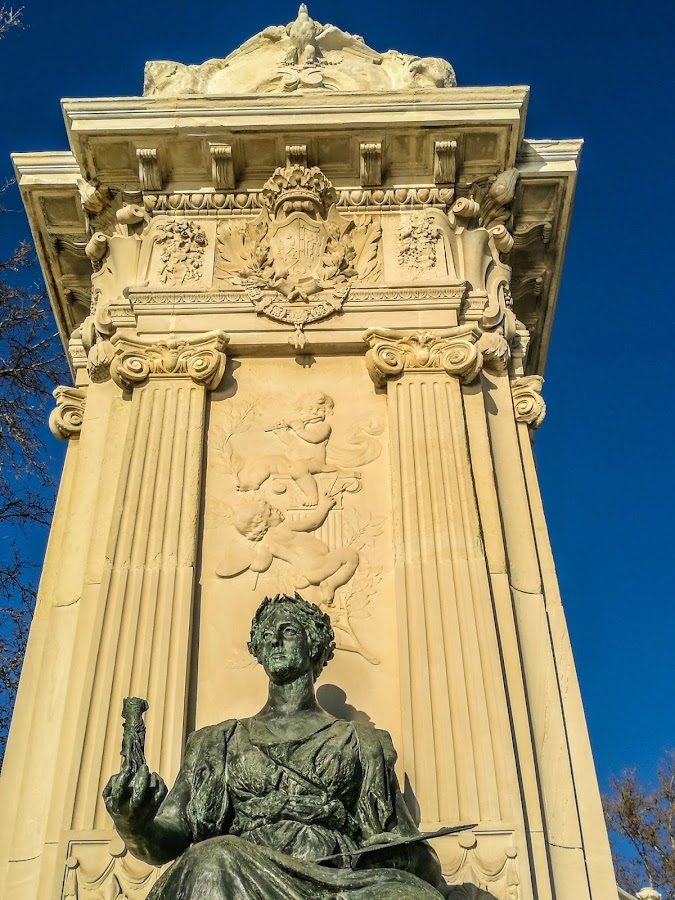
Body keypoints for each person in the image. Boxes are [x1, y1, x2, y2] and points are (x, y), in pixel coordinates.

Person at [103, 593, 452, 899]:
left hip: (339, 878)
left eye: (288, 631)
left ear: (314, 644)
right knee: (211, 859)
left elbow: (423, 860)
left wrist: (397, 855)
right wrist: (133, 825)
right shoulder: (217, 742)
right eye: (267, 636)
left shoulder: (361, 742)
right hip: (242, 869)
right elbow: (167, 838)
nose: (275, 642)